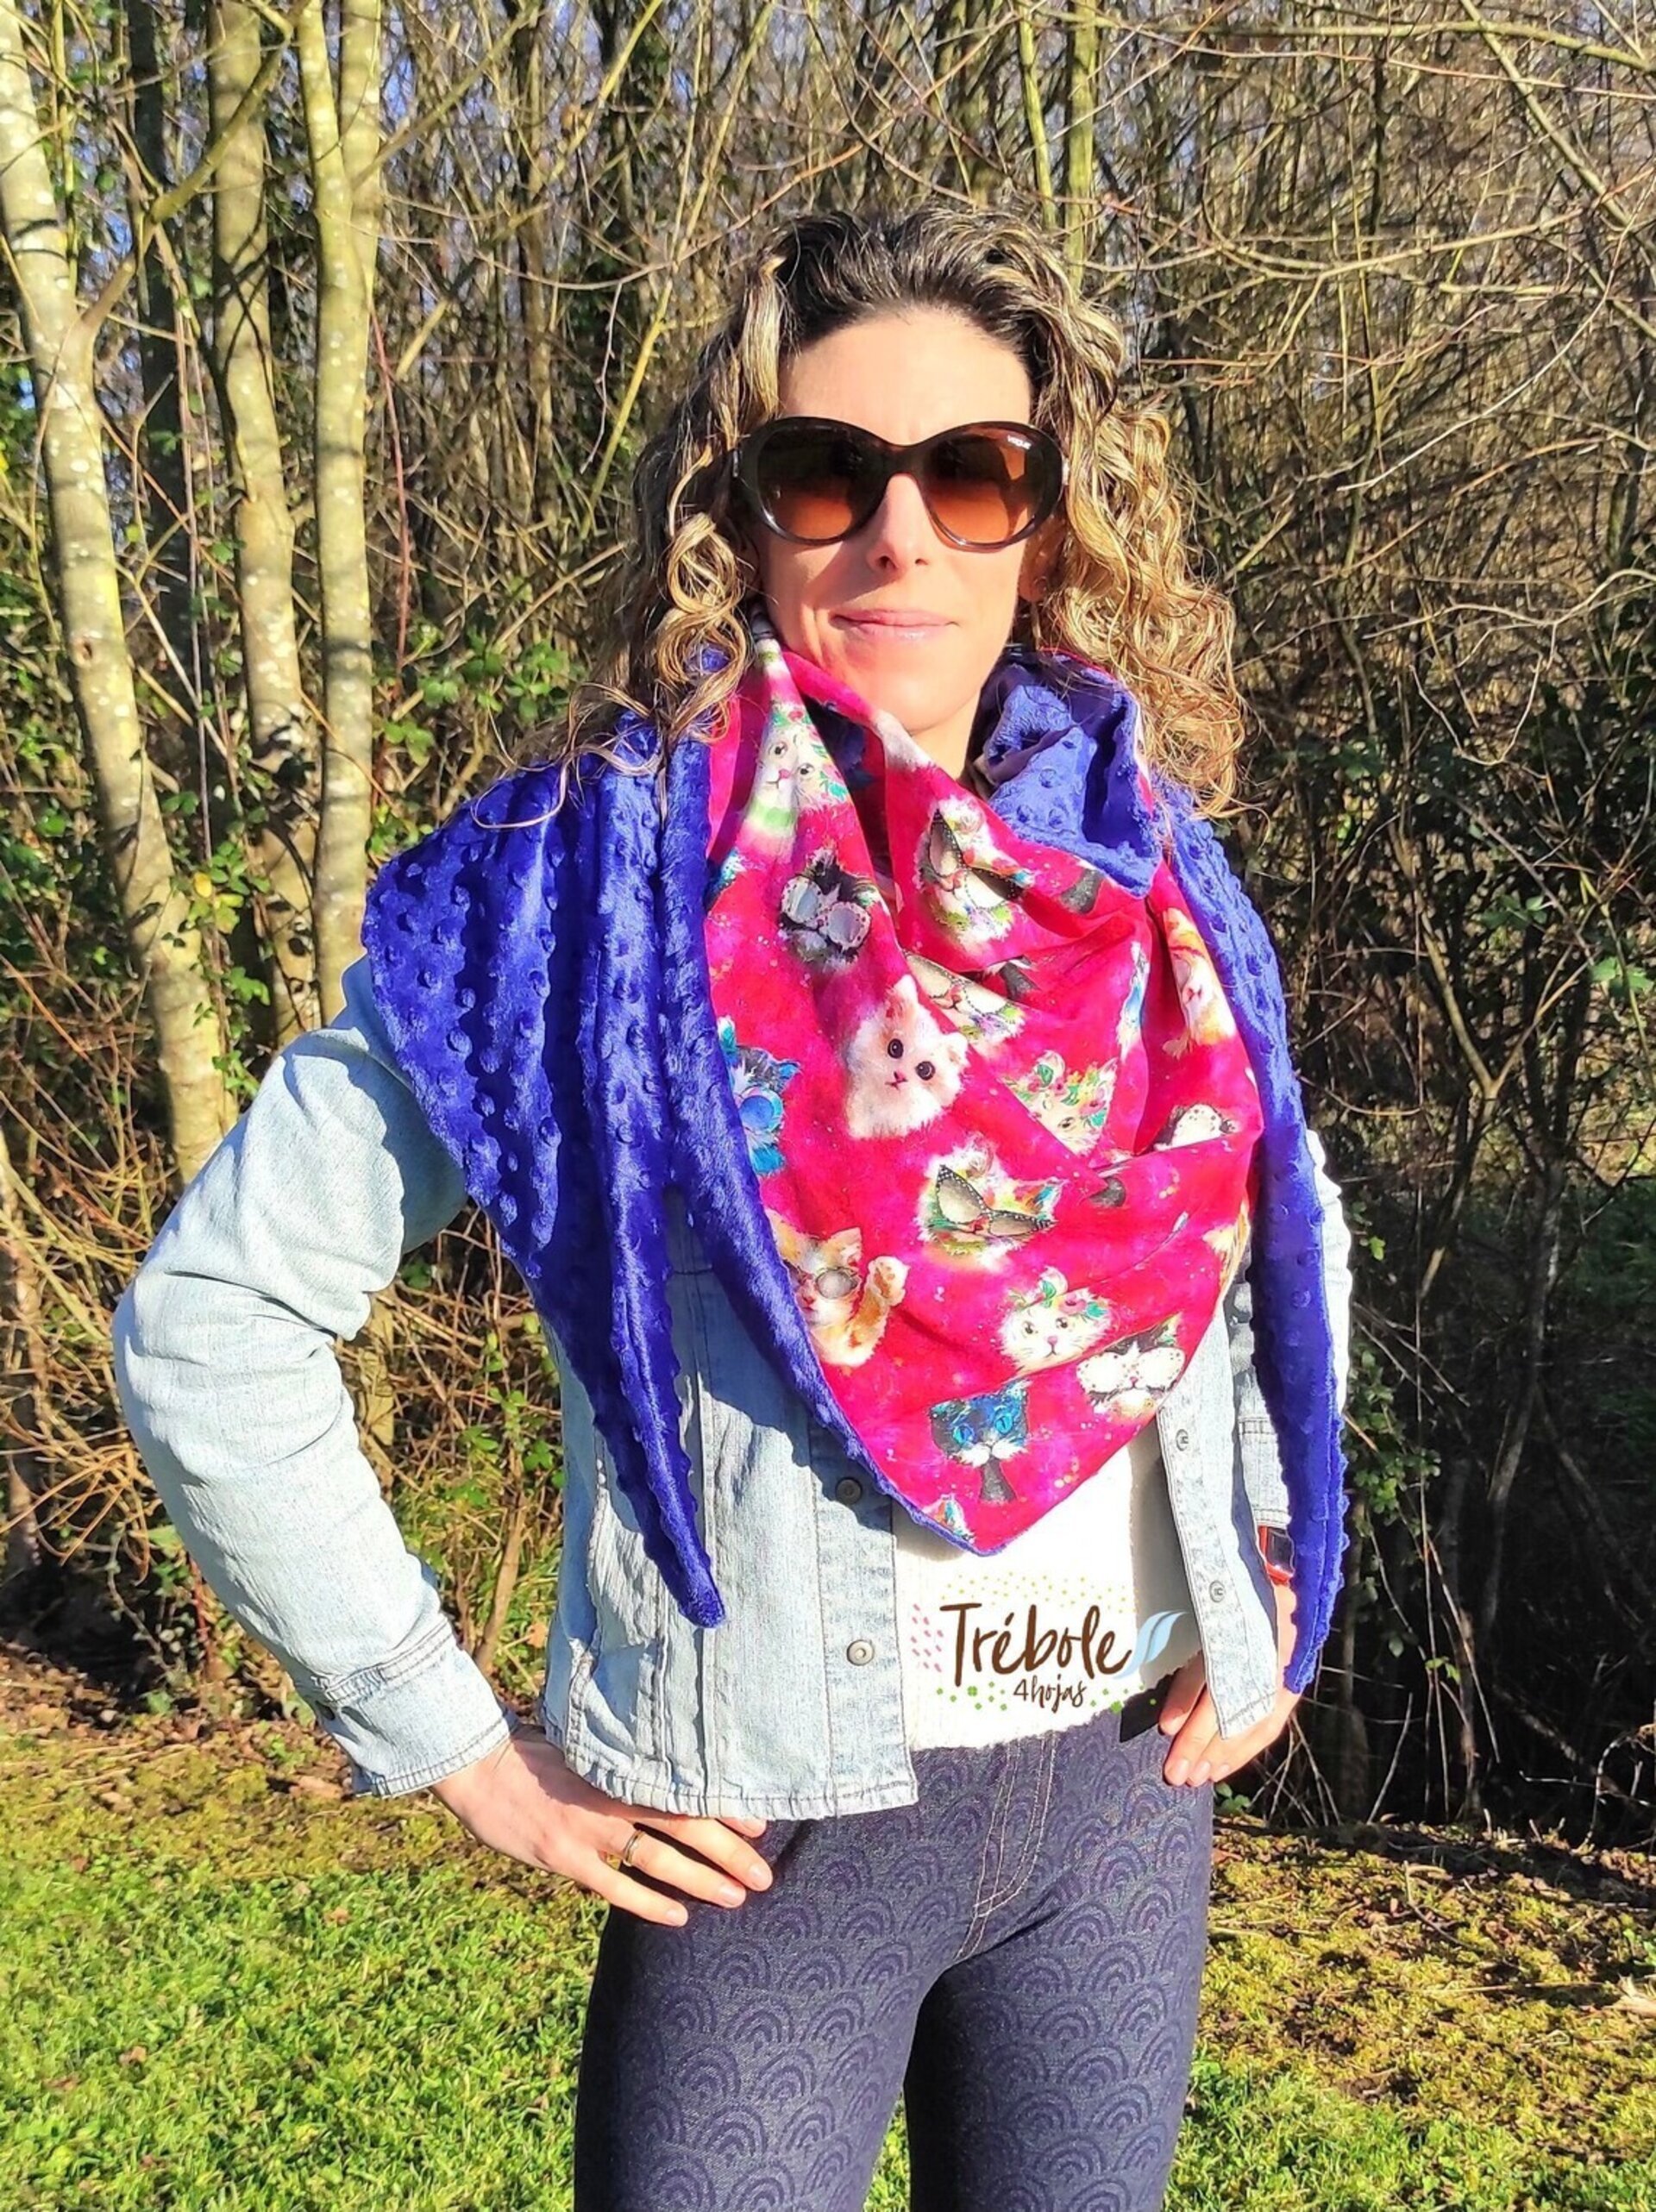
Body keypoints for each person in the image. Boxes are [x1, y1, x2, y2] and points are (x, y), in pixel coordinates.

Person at [113, 200, 1353, 2212]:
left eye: (975, 472)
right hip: (769, 1850)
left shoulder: (1146, 867)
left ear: (1049, 522)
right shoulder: (575, 889)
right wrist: (449, 1734)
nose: (901, 538)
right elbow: (214, 1319)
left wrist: (1279, 1543)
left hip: (1128, 1801)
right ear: (744, 514)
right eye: (829, 472)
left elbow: (1278, 1213)